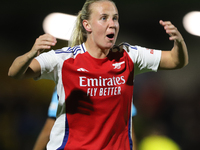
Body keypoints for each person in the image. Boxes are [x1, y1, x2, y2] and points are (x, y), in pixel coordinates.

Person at [8, 0, 188, 149]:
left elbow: (175, 61)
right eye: (104, 18)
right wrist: (32, 52)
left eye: (115, 18)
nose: (113, 24)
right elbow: (15, 73)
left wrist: (179, 42)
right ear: (87, 25)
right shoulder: (64, 59)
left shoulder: (129, 55)